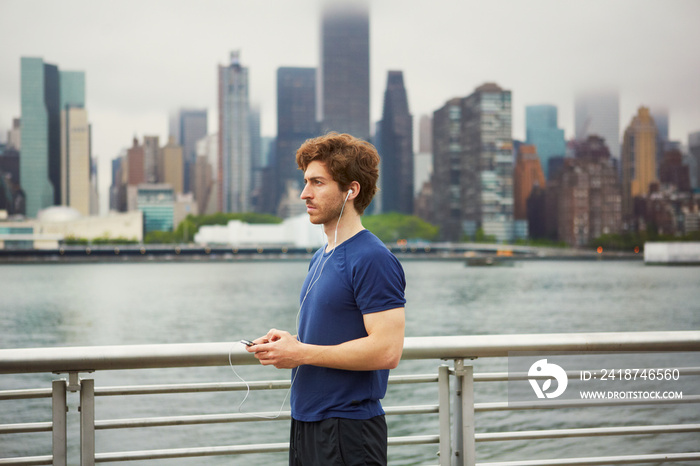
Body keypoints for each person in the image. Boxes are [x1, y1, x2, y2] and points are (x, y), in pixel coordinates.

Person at [246, 132, 406, 466]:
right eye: (305, 182)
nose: (305, 194)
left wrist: (300, 353)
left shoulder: (372, 258)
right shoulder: (322, 256)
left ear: (352, 190)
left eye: (317, 183)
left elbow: (387, 350)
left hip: (348, 430)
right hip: (307, 423)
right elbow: (335, 334)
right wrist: (290, 343)